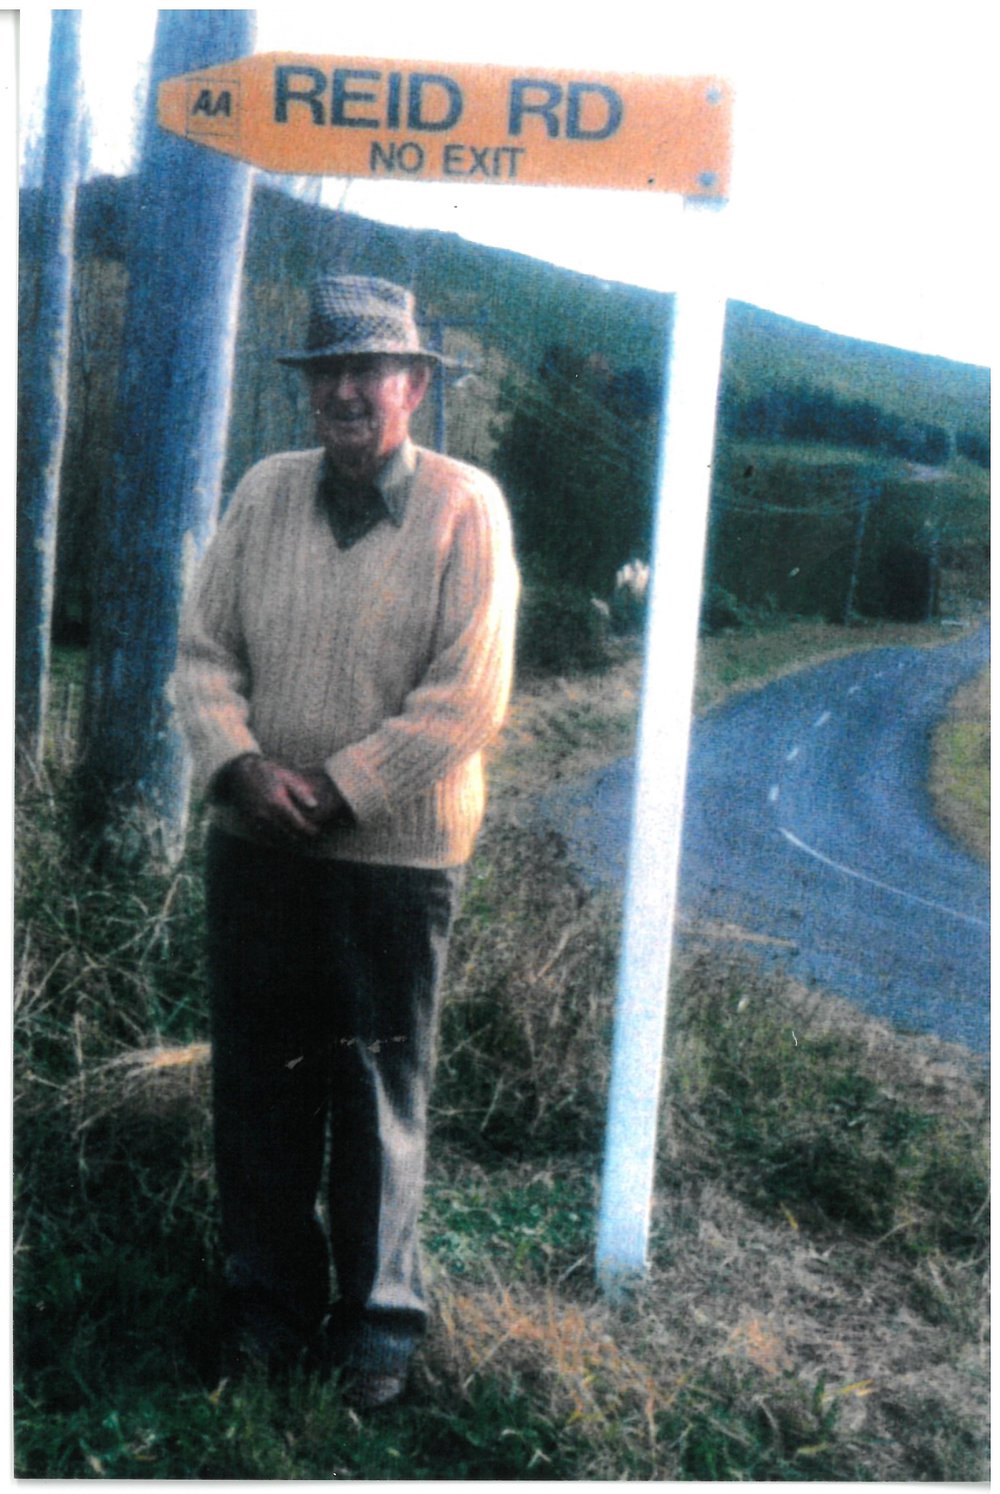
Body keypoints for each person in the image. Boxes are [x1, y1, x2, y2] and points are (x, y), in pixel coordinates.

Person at [175, 274, 519, 1410]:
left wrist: (339, 786)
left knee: (376, 1092)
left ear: (415, 386)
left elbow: (468, 695)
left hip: (393, 859)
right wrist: (237, 765)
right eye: (327, 370)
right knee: (260, 1088)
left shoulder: (467, 508)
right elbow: (204, 653)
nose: (345, 391)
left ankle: (377, 1333)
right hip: (254, 844)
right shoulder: (265, 492)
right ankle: (265, 1309)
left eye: (370, 370)